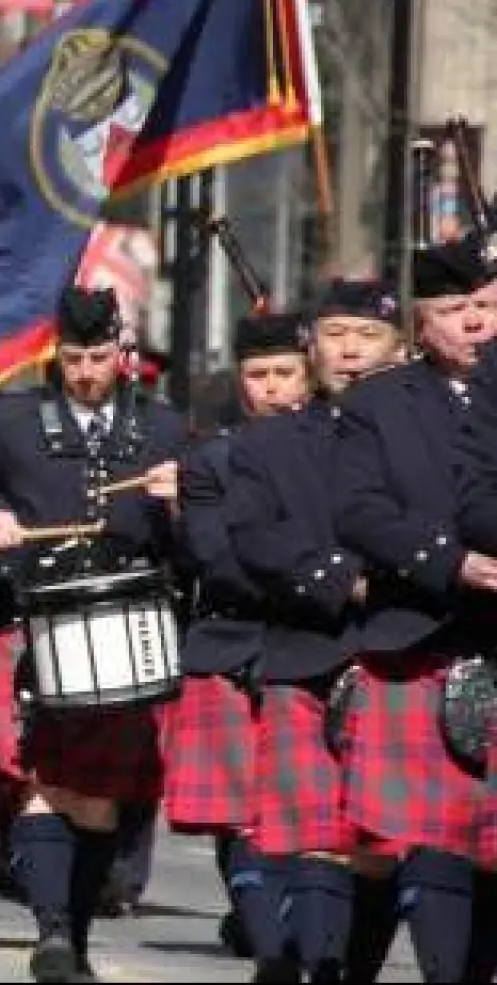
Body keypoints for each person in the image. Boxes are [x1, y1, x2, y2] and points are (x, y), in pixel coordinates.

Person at [0, 285, 187, 982]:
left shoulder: (162, 429)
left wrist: (188, 499)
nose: (87, 371)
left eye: (99, 357)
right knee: (39, 781)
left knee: (97, 797)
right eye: (74, 358)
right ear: (56, 354)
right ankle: (53, 932)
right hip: (30, 617)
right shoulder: (11, 422)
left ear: (121, 353)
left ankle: (77, 935)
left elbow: (210, 532)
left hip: (126, 626)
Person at [227, 279, 409, 982]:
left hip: (409, 652)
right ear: (312, 346)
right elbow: (252, 535)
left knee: (387, 844)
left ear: (399, 347)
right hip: (308, 651)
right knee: (317, 836)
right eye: (337, 334)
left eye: (369, 336)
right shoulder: (269, 443)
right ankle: (320, 968)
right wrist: (341, 579)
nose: (352, 350)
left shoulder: (440, 428)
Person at [331, 240, 497, 983]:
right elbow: (359, 511)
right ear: (420, 325)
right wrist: (451, 562)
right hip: (423, 636)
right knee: (437, 837)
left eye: (487, 307)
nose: (474, 324)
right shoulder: (376, 404)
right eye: (453, 311)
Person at [165, 308, 314, 978]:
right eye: (259, 374)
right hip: (231, 646)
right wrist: (316, 575)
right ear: (241, 381)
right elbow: (213, 556)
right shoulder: (211, 460)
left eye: (285, 372)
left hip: (313, 647)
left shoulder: (338, 447)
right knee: (240, 813)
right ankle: (264, 932)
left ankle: (282, 924)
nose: (273, 387)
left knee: (303, 814)